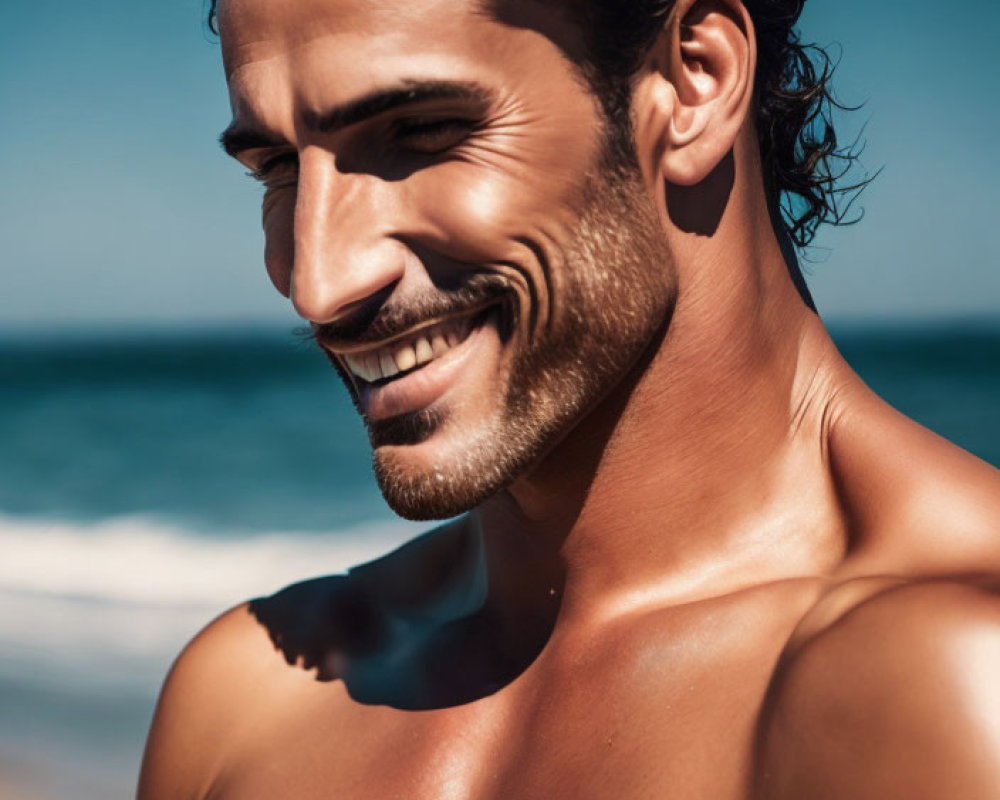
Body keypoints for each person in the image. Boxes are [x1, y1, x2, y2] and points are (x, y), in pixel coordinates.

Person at [138, 0, 1000, 797]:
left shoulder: (958, 684)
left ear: (693, 81)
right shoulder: (243, 701)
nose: (318, 284)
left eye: (422, 131)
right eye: (279, 168)